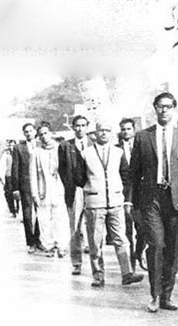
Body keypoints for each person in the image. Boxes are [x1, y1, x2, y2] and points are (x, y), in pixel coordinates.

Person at [130, 92, 178, 312]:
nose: (164, 111)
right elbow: (134, 173)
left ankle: (167, 295)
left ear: (174, 109)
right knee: (157, 246)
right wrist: (131, 203)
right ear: (155, 108)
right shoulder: (143, 137)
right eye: (160, 107)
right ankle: (154, 294)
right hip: (152, 199)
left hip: (176, 202)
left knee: (173, 249)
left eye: (168, 107)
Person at [74, 120, 144, 288]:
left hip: (115, 202)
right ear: (94, 133)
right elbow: (78, 177)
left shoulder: (118, 153)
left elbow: (126, 175)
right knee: (95, 241)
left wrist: (121, 193)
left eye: (107, 130)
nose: (103, 133)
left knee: (121, 238)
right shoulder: (86, 153)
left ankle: (127, 273)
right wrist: (92, 188)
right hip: (95, 202)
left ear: (112, 133)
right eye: (100, 130)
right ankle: (98, 275)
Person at [59, 115, 93, 274]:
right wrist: (70, 186)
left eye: (83, 125)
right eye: (77, 126)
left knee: (93, 228)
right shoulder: (65, 146)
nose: (80, 129)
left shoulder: (94, 144)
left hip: (92, 189)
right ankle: (77, 263)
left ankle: (96, 264)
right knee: (75, 228)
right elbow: (62, 170)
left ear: (87, 127)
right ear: (73, 128)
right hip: (75, 191)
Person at [31, 123, 70, 257]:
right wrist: (35, 194)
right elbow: (33, 175)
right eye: (40, 134)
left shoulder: (60, 148)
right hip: (43, 190)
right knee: (44, 219)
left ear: (51, 133)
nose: (43, 136)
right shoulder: (36, 152)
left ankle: (61, 245)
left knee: (60, 218)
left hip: (58, 188)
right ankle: (48, 246)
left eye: (46, 133)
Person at [117, 117, 146, 271]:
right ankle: (131, 265)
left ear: (134, 130)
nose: (126, 132)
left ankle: (139, 252)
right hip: (122, 193)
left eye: (128, 128)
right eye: (123, 129)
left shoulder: (141, 146)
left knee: (142, 228)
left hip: (139, 194)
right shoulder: (115, 149)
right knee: (126, 230)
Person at [11, 123, 43, 253]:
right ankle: (31, 242)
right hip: (26, 185)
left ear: (35, 131)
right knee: (28, 215)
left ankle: (39, 239)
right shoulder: (19, 148)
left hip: (41, 184)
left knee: (42, 213)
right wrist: (16, 188)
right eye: (26, 132)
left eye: (31, 131)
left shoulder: (42, 145)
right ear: (23, 134)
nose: (29, 133)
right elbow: (15, 168)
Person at [0, 140, 19, 217]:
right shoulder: (6, 155)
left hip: (17, 176)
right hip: (9, 176)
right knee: (9, 194)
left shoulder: (18, 153)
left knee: (18, 193)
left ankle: (18, 209)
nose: (12, 147)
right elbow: (1, 167)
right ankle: (12, 210)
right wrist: (1, 178)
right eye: (10, 145)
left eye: (13, 145)